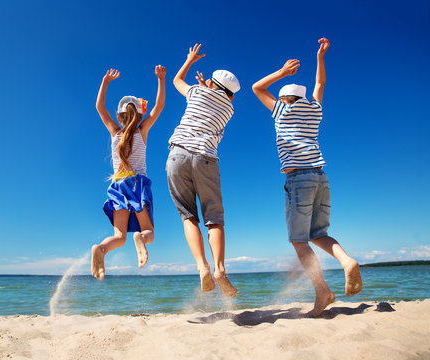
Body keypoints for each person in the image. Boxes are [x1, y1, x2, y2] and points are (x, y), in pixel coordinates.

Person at [252, 38, 362, 316]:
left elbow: (256, 88)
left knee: (299, 240)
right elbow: (320, 85)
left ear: (284, 99)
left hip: (298, 179)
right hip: (321, 176)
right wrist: (320, 57)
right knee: (319, 233)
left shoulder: (281, 110)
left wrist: (281, 72)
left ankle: (322, 291)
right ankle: (346, 260)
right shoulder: (314, 109)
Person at [166, 44, 240, 297]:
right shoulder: (230, 109)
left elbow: (177, 80)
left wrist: (189, 60)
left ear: (210, 82)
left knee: (189, 216)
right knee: (214, 219)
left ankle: (202, 268)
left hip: (178, 155)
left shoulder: (196, 92)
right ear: (231, 94)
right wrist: (210, 87)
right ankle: (219, 269)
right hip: (206, 159)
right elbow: (220, 99)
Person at [92, 65, 166, 280]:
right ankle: (141, 240)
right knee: (147, 231)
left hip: (117, 186)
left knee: (119, 237)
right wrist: (161, 79)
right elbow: (159, 106)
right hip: (137, 185)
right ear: (140, 115)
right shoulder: (142, 132)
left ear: (119, 116)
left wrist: (105, 83)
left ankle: (101, 249)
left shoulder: (115, 132)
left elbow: (100, 108)